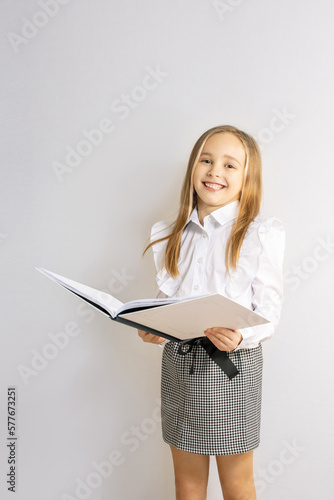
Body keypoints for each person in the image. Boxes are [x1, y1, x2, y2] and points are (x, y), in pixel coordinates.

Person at [138, 125, 285, 500]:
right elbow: (166, 300)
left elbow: (268, 310)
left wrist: (241, 335)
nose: (214, 171)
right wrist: (153, 327)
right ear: (193, 167)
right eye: (206, 160)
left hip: (230, 367)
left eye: (229, 165)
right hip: (179, 362)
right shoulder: (171, 232)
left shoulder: (256, 233)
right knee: (186, 483)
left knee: (236, 484)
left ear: (247, 177)